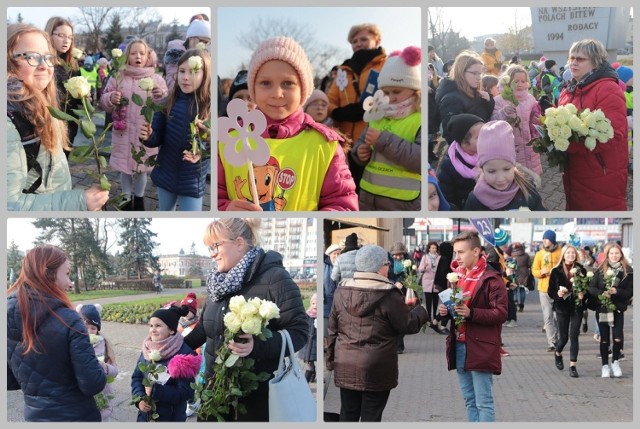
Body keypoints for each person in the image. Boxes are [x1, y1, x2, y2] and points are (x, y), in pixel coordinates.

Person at [183, 218, 309, 421]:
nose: (212, 254)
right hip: (213, 395)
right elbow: (205, 330)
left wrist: (257, 345)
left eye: (215, 246)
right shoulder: (218, 282)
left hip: (253, 400)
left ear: (239, 243)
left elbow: (300, 331)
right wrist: (171, 345)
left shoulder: (275, 278)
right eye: (209, 248)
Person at [218, 36, 358, 211]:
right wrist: (225, 209)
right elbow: (217, 194)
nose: (277, 93)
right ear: (253, 88)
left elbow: (341, 202)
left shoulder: (324, 144)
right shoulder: (229, 139)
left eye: (288, 83)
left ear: (303, 90)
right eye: (265, 83)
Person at [7, 23, 109, 211]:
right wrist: (79, 202)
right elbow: (9, 204)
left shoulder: (42, 102)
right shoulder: (9, 123)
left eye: (47, 57)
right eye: (31, 57)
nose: (44, 66)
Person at [326, 244, 428, 422]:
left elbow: (333, 329)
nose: (389, 267)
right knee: (371, 416)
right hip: (376, 366)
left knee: (348, 414)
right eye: (386, 263)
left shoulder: (341, 291)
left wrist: (330, 361)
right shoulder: (389, 294)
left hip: (345, 363)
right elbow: (408, 325)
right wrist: (422, 311)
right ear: (378, 266)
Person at [7, 245, 107, 421]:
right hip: (76, 415)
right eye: (67, 273)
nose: (70, 281)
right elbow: (92, 383)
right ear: (49, 273)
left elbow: (9, 380)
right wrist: (101, 367)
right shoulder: (68, 318)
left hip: (35, 416)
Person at [437, 231, 507, 422]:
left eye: (461, 252)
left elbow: (501, 313)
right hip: (459, 343)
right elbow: (456, 308)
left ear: (476, 251)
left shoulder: (492, 278)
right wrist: (446, 310)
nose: (456, 258)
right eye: (455, 253)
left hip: (480, 345)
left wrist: (472, 313)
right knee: (469, 400)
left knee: (483, 401)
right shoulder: (455, 276)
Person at [558, 39, 628, 210]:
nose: (573, 63)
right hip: (575, 171)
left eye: (580, 59)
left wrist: (569, 145)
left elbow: (613, 134)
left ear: (595, 62)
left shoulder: (607, 89)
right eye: (571, 58)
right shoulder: (568, 90)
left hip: (600, 172)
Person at [100, 38, 168, 211]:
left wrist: (161, 95)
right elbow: (104, 100)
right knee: (124, 169)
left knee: (141, 169)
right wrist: (110, 98)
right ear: (127, 56)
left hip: (144, 133)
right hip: (123, 132)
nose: (138, 56)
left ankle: (138, 200)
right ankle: (125, 198)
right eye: (133, 53)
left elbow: (166, 104)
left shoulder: (156, 79)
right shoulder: (118, 77)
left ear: (148, 57)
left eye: (142, 53)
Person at [139, 48, 210, 211]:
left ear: (206, 75)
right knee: (165, 212)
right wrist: (149, 136)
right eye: (182, 71)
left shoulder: (210, 108)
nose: (185, 77)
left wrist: (201, 150)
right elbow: (157, 137)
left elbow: (216, 146)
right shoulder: (166, 102)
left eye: (193, 71)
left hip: (191, 181)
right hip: (166, 173)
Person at [352, 45, 422, 210]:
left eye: (396, 92)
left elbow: (419, 160)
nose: (390, 98)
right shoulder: (376, 115)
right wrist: (360, 153)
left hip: (401, 201)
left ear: (414, 91)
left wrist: (383, 140)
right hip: (368, 196)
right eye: (386, 92)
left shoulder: (419, 119)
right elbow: (360, 144)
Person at [327, 23, 388, 192]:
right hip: (345, 143)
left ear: (377, 40)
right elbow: (329, 100)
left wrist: (368, 108)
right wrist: (338, 112)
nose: (358, 43)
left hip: (373, 139)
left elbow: (392, 95)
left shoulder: (387, 64)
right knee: (348, 188)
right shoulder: (343, 70)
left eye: (363, 39)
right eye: (354, 41)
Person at [132, 305, 201, 422]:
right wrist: (139, 399)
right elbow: (137, 377)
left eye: (158, 326)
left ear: (171, 329)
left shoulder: (182, 356)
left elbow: (186, 392)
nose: (153, 330)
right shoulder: (147, 349)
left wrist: (157, 391)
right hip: (146, 417)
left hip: (170, 418)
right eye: (151, 325)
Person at [464, 120, 545, 211]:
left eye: (506, 169)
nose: (500, 179)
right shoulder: (475, 200)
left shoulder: (528, 190)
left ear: (513, 165)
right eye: (492, 171)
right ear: (482, 169)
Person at [589, 243, 633, 378]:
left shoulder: (627, 271)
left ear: (621, 255)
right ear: (607, 255)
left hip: (618, 308)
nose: (614, 256)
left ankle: (615, 361)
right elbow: (591, 288)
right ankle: (605, 366)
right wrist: (603, 294)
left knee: (618, 337)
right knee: (604, 339)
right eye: (611, 253)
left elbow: (630, 292)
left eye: (617, 253)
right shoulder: (599, 270)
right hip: (603, 308)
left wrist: (616, 291)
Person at [491, 64, 543, 174]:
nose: (519, 84)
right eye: (516, 81)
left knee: (532, 178)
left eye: (523, 81)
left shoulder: (530, 98)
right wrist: (504, 112)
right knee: (515, 179)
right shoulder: (499, 100)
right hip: (511, 148)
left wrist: (538, 120)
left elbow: (535, 120)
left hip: (530, 147)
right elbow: (492, 122)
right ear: (508, 81)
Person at [435, 50, 495, 144]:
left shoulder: (474, 91)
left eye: (480, 73)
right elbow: (451, 135)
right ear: (461, 72)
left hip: (480, 145)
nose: (479, 78)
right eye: (474, 73)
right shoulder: (451, 99)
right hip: (468, 152)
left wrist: (488, 102)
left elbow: (483, 118)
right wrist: (469, 151)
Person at [547, 245, 589, 378]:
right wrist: (558, 293)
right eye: (568, 253)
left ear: (576, 255)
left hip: (577, 306)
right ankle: (558, 353)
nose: (570, 255)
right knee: (563, 338)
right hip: (562, 306)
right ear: (564, 255)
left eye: (573, 253)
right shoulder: (556, 271)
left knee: (574, 335)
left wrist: (583, 294)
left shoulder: (581, 270)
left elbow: (588, 288)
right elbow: (550, 291)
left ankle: (573, 366)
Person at [44, 16, 81, 152]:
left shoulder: (74, 66)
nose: (67, 41)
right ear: (49, 34)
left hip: (70, 123)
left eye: (70, 37)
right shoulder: (43, 64)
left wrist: (85, 97)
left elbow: (76, 99)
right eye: (61, 35)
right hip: (49, 122)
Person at [76, 304, 119, 420]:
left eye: (93, 328)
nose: (89, 331)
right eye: (85, 327)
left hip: (102, 395)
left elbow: (115, 371)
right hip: (81, 397)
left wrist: (106, 368)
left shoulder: (104, 344)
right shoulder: (73, 344)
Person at [436, 113, 484, 209]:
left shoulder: (491, 154)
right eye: (480, 137)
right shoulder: (449, 165)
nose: (486, 138)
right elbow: (447, 198)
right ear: (464, 143)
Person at [532, 229, 562, 352]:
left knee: (558, 316)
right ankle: (551, 342)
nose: (544, 240)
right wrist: (540, 273)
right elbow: (534, 270)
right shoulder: (539, 254)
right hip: (544, 290)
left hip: (558, 289)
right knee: (547, 316)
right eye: (543, 238)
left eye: (547, 238)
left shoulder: (561, 253)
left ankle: (559, 338)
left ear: (553, 240)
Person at [163, 16, 211, 92]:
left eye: (207, 42)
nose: (204, 45)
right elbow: (172, 82)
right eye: (202, 41)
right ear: (191, 38)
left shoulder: (205, 56)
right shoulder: (175, 54)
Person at [418, 241, 446, 334]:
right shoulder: (425, 257)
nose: (434, 249)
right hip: (427, 282)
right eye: (432, 248)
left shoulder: (440, 258)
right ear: (429, 248)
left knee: (435, 302)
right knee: (428, 302)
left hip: (436, 282)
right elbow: (420, 269)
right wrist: (425, 267)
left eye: (435, 248)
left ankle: (434, 319)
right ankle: (429, 319)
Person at [298, 293, 318, 382]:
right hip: (306, 344)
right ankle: (312, 375)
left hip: (315, 344)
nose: (315, 306)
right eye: (313, 303)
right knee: (308, 362)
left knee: (309, 363)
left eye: (317, 304)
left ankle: (306, 382)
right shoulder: (307, 314)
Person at [323, 244, 341, 336]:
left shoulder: (342, 265)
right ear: (329, 254)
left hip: (340, 300)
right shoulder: (324, 266)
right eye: (335, 253)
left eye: (339, 253)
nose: (337, 256)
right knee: (327, 329)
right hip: (327, 301)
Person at [510, 242, 531, 312]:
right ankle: (521, 305)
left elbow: (510, 266)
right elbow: (529, 265)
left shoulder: (512, 256)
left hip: (514, 274)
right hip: (524, 275)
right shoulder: (526, 255)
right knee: (522, 290)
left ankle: (515, 302)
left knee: (514, 290)